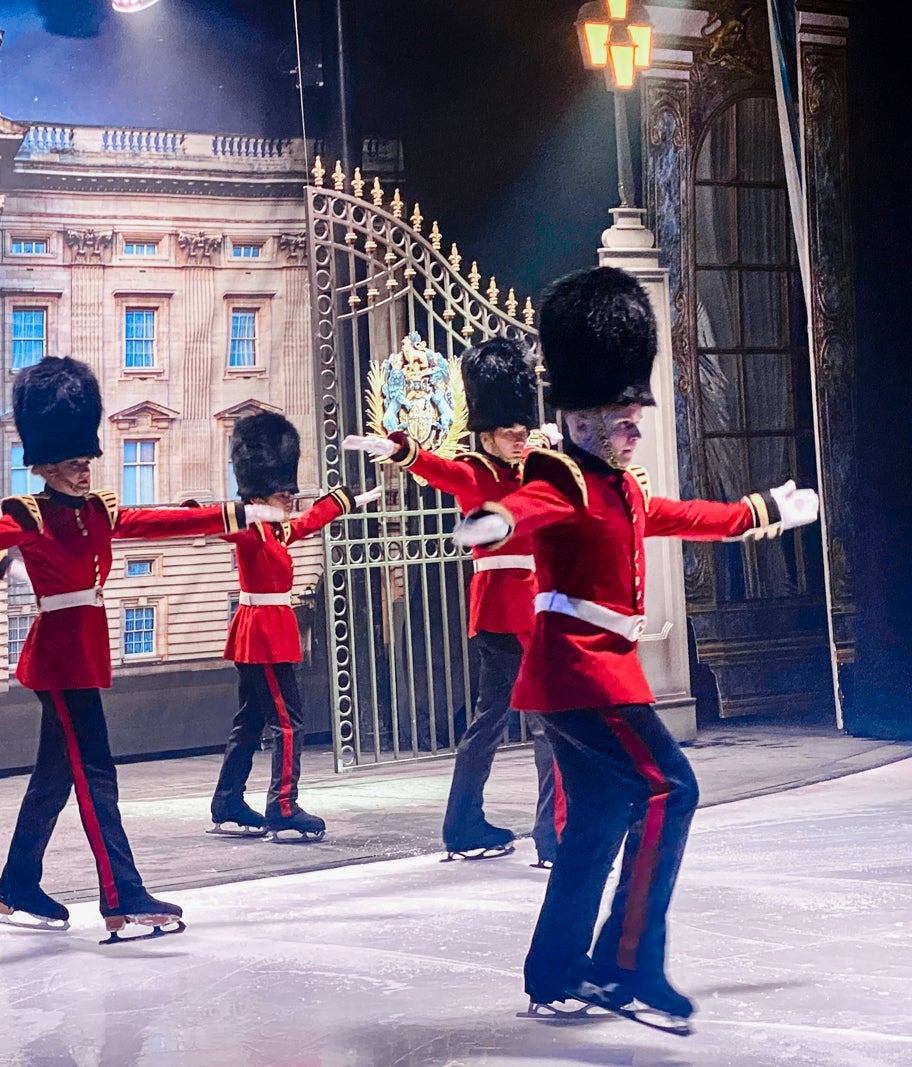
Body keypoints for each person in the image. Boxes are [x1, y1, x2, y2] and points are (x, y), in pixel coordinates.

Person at [453, 267, 819, 1033]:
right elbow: (523, 507)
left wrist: (761, 510)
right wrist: (493, 521)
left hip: (590, 671)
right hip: (579, 672)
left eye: (632, 416)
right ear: (582, 417)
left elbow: (684, 515)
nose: (634, 430)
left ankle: (557, 971)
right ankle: (627, 959)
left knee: (594, 820)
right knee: (670, 788)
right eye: (623, 419)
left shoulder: (622, 487)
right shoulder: (562, 478)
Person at [0, 356, 284, 941]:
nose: (84, 469)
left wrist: (236, 512)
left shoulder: (99, 511)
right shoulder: (31, 514)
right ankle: (121, 893)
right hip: (59, 658)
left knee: (54, 778)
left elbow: (158, 523)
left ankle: (19, 883)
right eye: (73, 463)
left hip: (83, 653)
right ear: (46, 465)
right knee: (97, 775)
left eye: (86, 460)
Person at [345, 338, 564, 864]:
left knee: (514, 721)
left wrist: (549, 443)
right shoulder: (474, 473)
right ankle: (532, 832)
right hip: (503, 608)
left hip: (534, 607)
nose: (519, 438)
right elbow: (436, 469)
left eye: (522, 431)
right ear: (486, 434)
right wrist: (402, 451)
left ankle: (485, 825)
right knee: (527, 722)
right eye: (509, 432)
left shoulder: (533, 465)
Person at [210, 412, 372, 843]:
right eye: (283, 491)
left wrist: (344, 501)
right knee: (288, 723)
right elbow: (213, 522)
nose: (290, 497)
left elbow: (305, 523)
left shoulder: (273, 531)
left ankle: (227, 799)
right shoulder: (250, 530)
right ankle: (282, 805)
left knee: (250, 721)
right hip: (263, 636)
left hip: (261, 632)